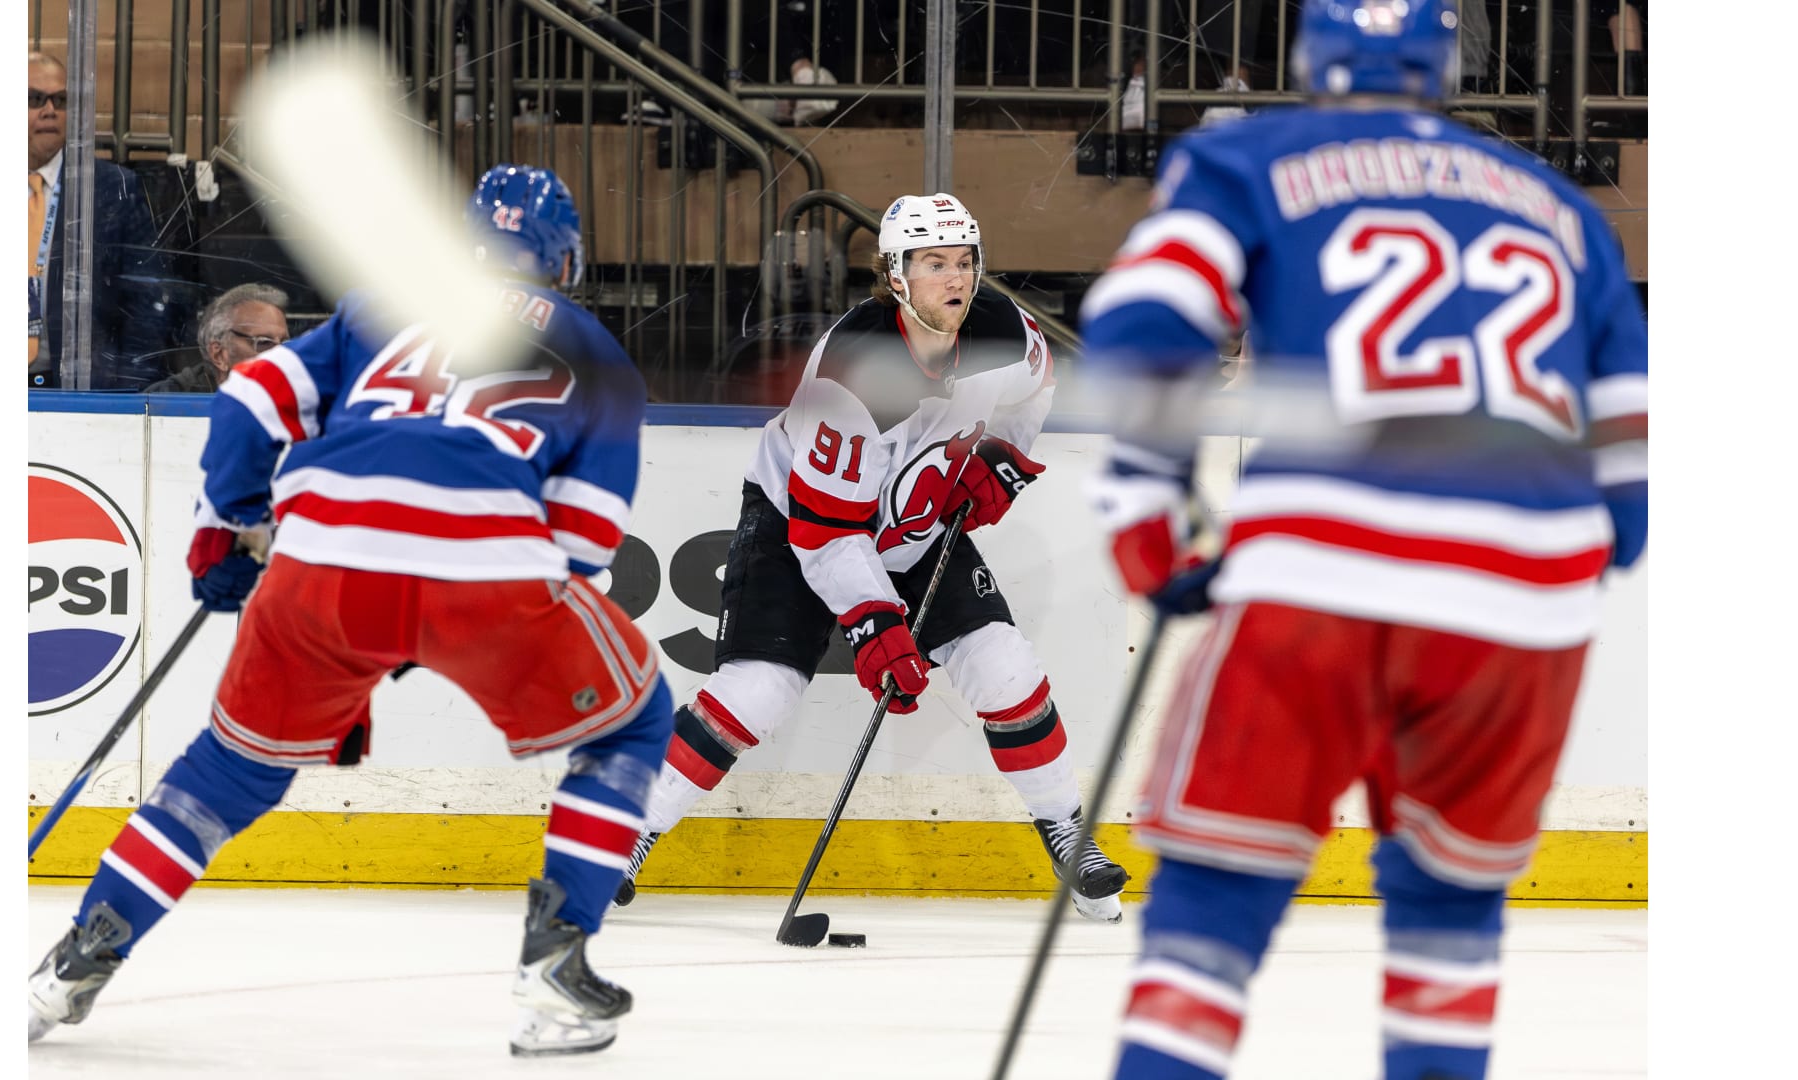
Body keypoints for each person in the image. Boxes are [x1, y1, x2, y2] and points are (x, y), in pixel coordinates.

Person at [1079, 2, 1647, 1078]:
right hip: (1525, 604)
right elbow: (1630, 433)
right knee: (1450, 916)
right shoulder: (1562, 208)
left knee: (1213, 898)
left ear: (1312, 56)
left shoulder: (1246, 154)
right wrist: (1598, 541)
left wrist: (1145, 517)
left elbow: (1143, 321)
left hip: (1324, 576)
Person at [27, 165, 673, 1057]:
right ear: (564, 262)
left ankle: (73, 963)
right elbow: (586, 543)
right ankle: (556, 966)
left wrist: (227, 526)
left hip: (322, 563)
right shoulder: (600, 355)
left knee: (229, 769)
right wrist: (456, 610)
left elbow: (249, 400)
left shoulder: (384, 306)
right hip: (487, 568)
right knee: (634, 722)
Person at [613, 193, 1132, 923]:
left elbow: (1036, 387)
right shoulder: (852, 374)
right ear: (895, 276)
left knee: (1005, 667)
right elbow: (827, 534)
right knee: (759, 689)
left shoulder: (1002, 331)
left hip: (915, 523)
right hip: (798, 523)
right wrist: (875, 623)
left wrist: (1003, 456)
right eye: (934, 264)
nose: (956, 278)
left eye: (964, 262)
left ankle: (1068, 833)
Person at [27, 52, 171, 389]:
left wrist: (127, 390)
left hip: (76, 389)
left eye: (61, 100)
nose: (50, 110)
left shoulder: (110, 188)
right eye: (34, 99)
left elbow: (146, 298)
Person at [144, 283, 291, 393]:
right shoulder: (164, 402)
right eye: (264, 343)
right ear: (219, 355)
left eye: (286, 344)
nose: (282, 356)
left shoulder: (297, 395)